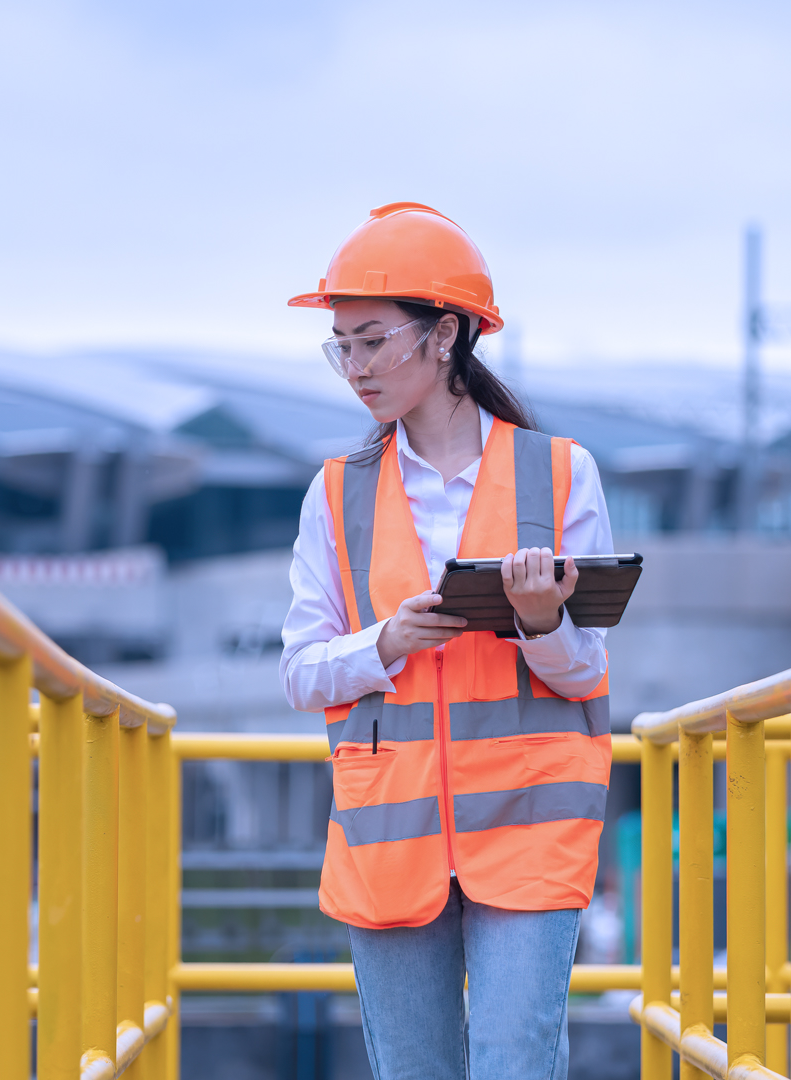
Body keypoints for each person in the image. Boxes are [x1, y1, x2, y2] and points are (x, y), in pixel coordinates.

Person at [279, 203, 614, 1080]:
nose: (354, 367)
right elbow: (300, 672)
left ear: (446, 335)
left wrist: (542, 621)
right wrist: (383, 642)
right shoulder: (335, 495)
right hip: (393, 840)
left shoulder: (560, 473)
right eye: (340, 345)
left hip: (531, 826)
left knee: (516, 1064)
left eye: (372, 341)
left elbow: (587, 674)